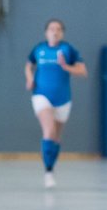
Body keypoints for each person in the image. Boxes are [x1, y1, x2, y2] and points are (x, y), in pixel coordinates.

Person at [24, 19, 87, 188]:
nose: (55, 32)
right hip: (41, 95)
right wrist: (30, 79)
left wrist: (67, 67)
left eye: (58, 29)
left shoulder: (68, 49)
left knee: (56, 138)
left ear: (62, 33)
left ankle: (51, 166)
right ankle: (48, 171)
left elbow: (83, 71)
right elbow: (28, 65)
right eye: (52, 29)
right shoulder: (39, 49)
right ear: (46, 32)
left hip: (63, 99)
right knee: (49, 131)